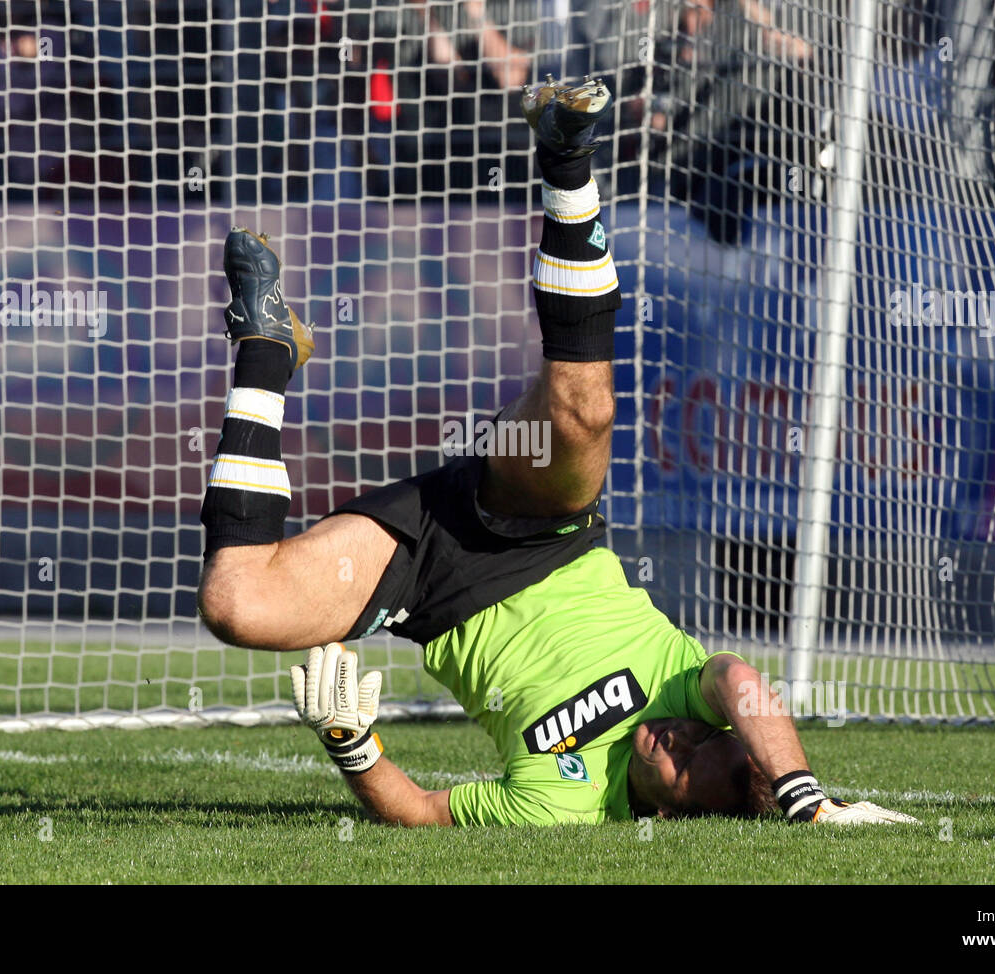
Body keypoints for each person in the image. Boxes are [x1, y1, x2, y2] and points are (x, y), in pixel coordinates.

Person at [196, 77, 919, 828]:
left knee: (236, 605)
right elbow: (738, 677)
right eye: (708, 737)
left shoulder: (569, 804)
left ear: (671, 817)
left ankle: (265, 346)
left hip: (430, 589)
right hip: (541, 529)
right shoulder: (687, 689)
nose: (682, 738)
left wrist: (354, 746)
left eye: (685, 764)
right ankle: (568, 161)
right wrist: (803, 794)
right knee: (580, 416)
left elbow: (423, 815)